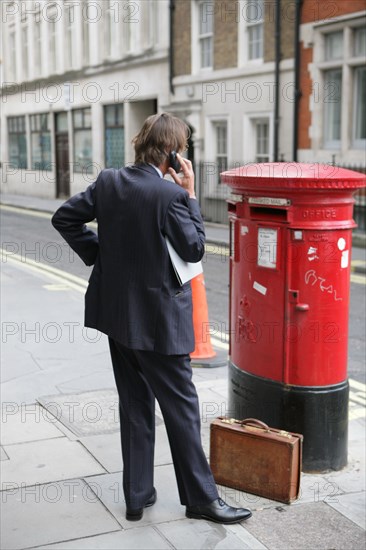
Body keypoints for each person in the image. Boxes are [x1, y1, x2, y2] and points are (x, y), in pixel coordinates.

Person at [52, 112, 252, 524]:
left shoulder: (108, 181)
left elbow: (64, 218)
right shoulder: (172, 197)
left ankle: (137, 495)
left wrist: (98, 254)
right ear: (175, 154)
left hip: (117, 317)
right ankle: (201, 499)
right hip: (161, 323)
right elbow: (194, 248)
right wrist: (192, 195)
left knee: (135, 404)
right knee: (182, 409)